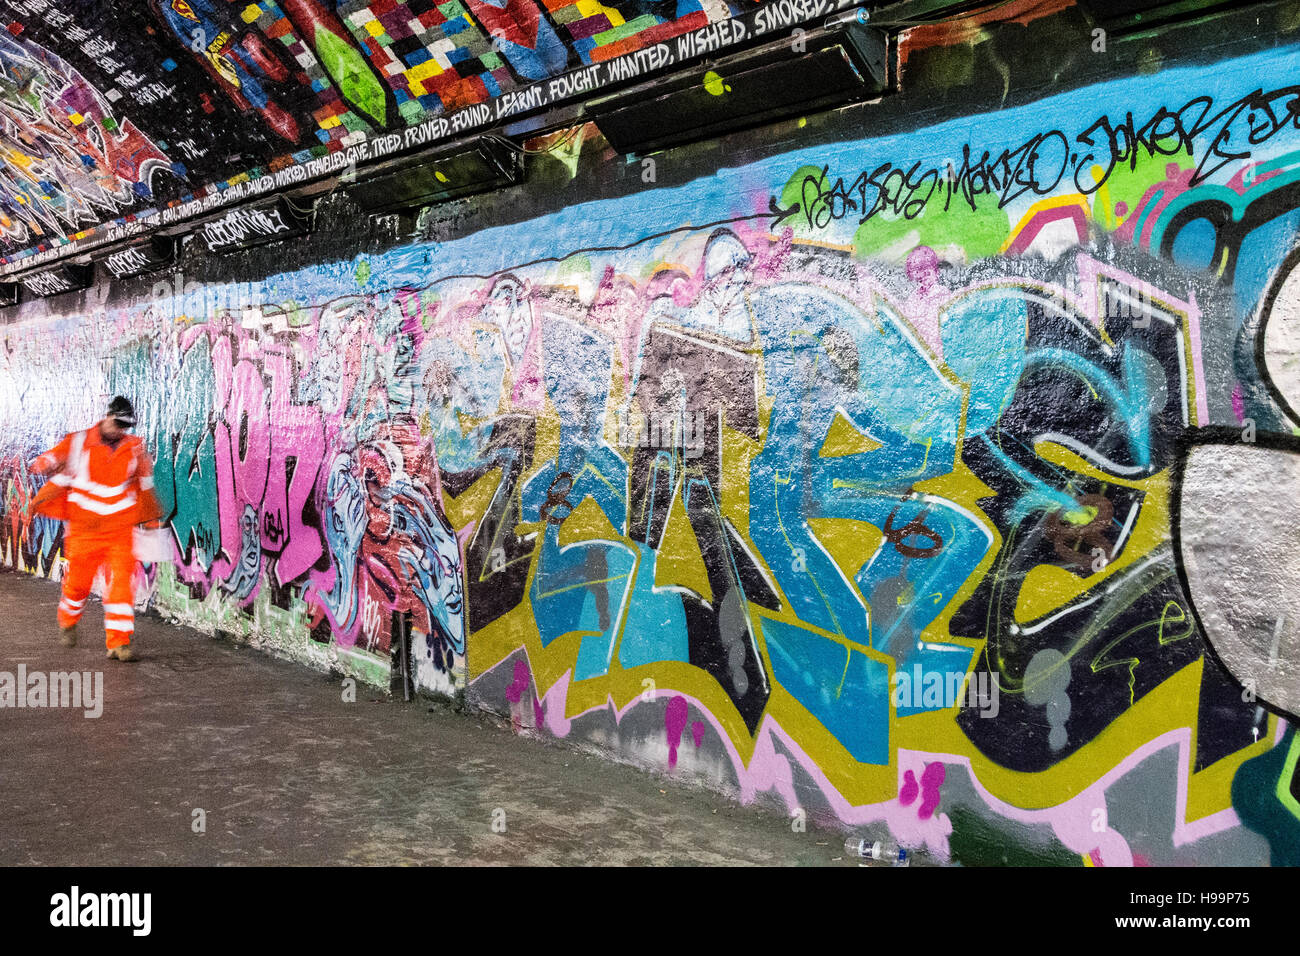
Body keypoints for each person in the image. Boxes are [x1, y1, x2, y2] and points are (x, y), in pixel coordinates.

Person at [27, 396, 163, 661]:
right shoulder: (77, 442)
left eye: (125, 426)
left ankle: (118, 643)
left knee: (122, 582)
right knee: (78, 584)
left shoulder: (135, 449)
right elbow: (47, 460)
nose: (120, 430)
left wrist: (151, 522)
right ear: (107, 415)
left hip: (119, 531)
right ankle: (67, 620)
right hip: (83, 532)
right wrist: (46, 464)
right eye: (117, 423)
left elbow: (146, 488)